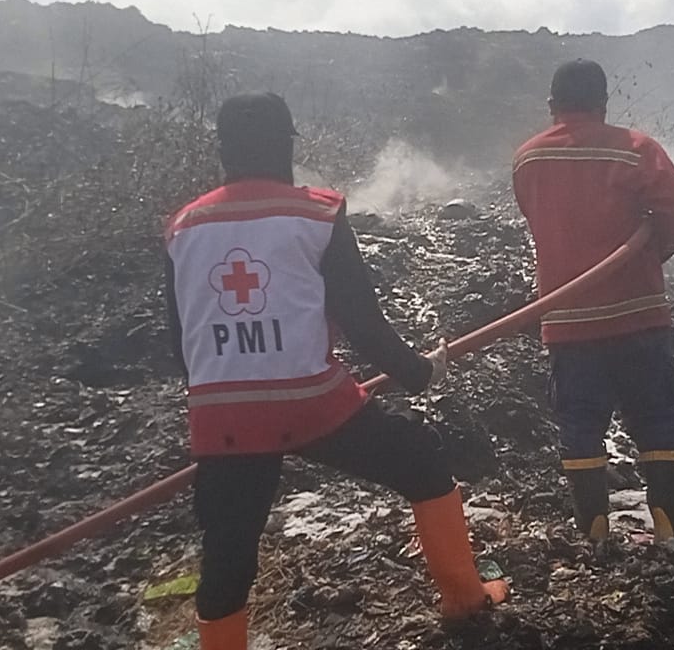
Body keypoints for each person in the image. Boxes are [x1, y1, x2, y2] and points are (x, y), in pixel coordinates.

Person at [164, 93, 507, 650]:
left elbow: (180, 340)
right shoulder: (317, 213)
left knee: (228, 551)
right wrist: (419, 373)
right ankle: (466, 601)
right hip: (312, 405)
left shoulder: (183, 226)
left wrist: (224, 396)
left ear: (223, 152)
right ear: (286, 147)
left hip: (221, 416)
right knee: (421, 458)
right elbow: (362, 323)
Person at [511, 59, 674, 542]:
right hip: (638, 314)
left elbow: (538, 219)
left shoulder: (528, 160)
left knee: (580, 422)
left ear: (552, 105)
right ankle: (669, 531)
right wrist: (652, 250)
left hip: (569, 321)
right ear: (603, 103)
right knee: (655, 416)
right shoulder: (635, 149)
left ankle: (594, 533)